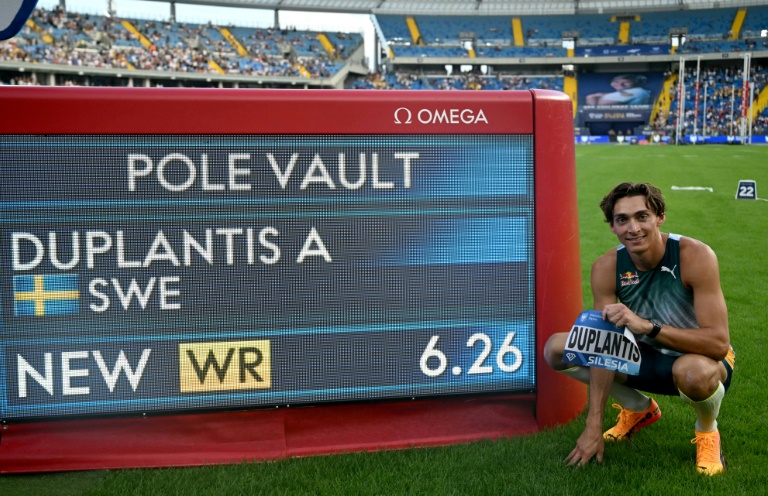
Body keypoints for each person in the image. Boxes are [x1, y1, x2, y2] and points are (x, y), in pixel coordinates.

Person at [543, 182, 735, 476]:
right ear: (612, 227)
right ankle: (638, 408)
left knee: (694, 373)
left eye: (641, 216)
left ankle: (708, 431)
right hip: (643, 355)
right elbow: (602, 346)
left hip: (699, 357)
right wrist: (592, 425)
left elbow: (718, 344)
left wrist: (649, 327)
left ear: (660, 217)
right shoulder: (607, 266)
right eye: (622, 220)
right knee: (558, 348)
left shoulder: (695, 256)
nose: (633, 228)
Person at [585, 74, 651, 105]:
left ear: (635, 83)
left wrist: (596, 96)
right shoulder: (638, 91)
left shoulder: (635, 91)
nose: (620, 84)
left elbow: (602, 103)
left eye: (626, 82)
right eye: (616, 82)